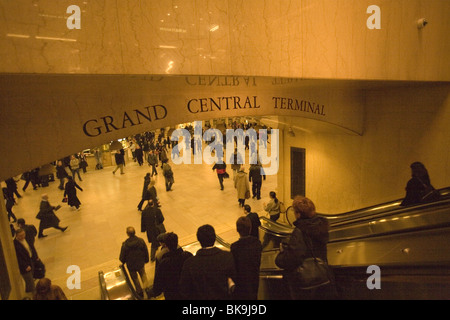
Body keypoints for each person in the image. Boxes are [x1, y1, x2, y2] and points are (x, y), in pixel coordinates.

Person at [275, 196, 336, 300]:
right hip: (322, 278)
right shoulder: (320, 226)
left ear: (298, 214)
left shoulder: (300, 232)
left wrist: (279, 258)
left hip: (305, 285)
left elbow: (293, 258)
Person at [179, 224, 236, 300]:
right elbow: (236, 282)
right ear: (215, 238)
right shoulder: (227, 257)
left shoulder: (189, 263)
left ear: (199, 240)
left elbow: (184, 290)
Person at [147, 232, 193, 300]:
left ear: (166, 245)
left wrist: (155, 292)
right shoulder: (188, 255)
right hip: (188, 291)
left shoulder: (164, 263)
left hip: (172, 294)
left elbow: (158, 280)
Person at [230, 217, 262, 300]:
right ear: (250, 228)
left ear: (237, 230)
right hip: (254, 281)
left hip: (240, 284)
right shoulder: (257, 243)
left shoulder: (234, 247)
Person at [119, 226, 149, 298]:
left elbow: (122, 257)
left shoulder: (125, 245)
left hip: (131, 266)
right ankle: (147, 290)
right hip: (140, 263)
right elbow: (145, 251)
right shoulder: (141, 241)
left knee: (135, 279)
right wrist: (146, 259)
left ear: (127, 234)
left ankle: (139, 292)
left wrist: (123, 261)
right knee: (143, 275)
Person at [14, 228, 39, 294]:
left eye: (23, 234)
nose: (23, 236)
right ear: (16, 235)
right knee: (31, 282)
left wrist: (36, 256)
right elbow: (18, 258)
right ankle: (35, 295)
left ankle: (28, 291)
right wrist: (25, 266)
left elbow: (31, 248)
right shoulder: (15, 244)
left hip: (31, 261)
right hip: (24, 266)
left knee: (31, 277)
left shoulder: (26, 239)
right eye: (20, 235)